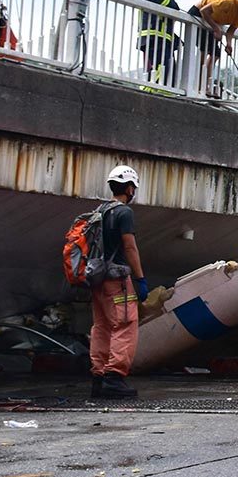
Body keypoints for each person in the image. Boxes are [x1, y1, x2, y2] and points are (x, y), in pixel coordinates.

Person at [88, 164, 148, 400]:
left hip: (97, 278)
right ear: (130, 187)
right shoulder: (124, 213)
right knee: (124, 325)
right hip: (117, 281)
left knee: (101, 327)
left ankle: (99, 377)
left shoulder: (100, 210)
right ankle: (115, 377)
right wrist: (140, 278)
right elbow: (129, 246)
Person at [187, 0, 238, 98]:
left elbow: (231, 31)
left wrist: (228, 44)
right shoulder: (228, 3)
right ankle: (202, 87)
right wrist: (216, 29)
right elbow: (204, 11)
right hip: (199, 15)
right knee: (205, 50)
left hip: (211, 22)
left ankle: (206, 84)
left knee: (216, 53)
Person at [137, 0, 187, 88]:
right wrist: (172, 4)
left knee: (169, 70)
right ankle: (150, 91)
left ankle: (158, 91)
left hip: (162, 37)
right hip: (153, 36)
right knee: (163, 69)